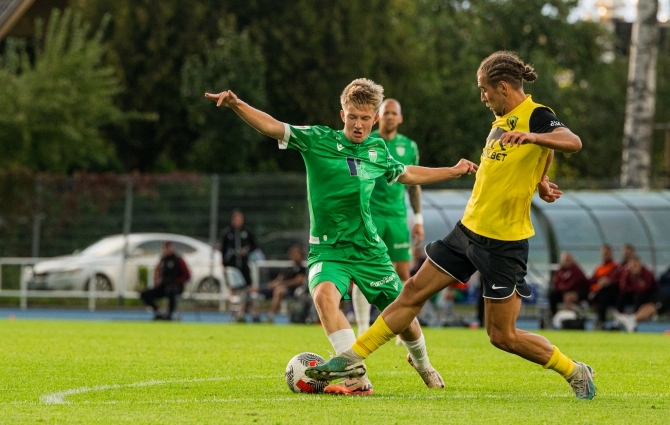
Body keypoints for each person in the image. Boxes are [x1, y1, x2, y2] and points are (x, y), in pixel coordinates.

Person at [306, 51, 597, 400]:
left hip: (504, 242)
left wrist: (535, 140)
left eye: (485, 90)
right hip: (468, 230)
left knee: (502, 336)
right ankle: (350, 359)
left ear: (503, 87)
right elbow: (526, 160)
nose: (482, 97)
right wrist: (541, 178)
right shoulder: (501, 121)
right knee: (412, 291)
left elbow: (572, 142)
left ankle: (575, 370)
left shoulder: (536, 116)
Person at [206, 78, 478, 395]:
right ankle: (357, 377)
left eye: (365, 118)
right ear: (342, 115)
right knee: (323, 296)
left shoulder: (378, 149)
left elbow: (407, 174)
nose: (359, 124)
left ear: (374, 119)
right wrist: (237, 104)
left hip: (369, 252)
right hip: (328, 250)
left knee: (405, 317)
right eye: (353, 117)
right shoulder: (317, 139)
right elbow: (273, 127)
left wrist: (453, 170)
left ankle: (422, 363)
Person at [351, 99, 423, 336]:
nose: (390, 116)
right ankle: (362, 325)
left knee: (402, 273)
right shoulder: (367, 141)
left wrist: (419, 219)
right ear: (378, 117)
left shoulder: (409, 146)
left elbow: (414, 185)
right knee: (363, 270)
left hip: (397, 218)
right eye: (386, 112)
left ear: (400, 118)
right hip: (369, 216)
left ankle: (403, 328)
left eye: (394, 113)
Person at [251, 244, 307, 323]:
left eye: (297, 254)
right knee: (253, 290)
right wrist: (273, 284)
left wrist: (282, 284)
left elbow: (297, 281)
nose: (295, 256)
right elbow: (279, 278)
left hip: (292, 291)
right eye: (293, 254)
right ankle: (253, 316)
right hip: (279, 287)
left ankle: (271, 316)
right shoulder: (288, 268)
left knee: (279, 291)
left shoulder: (302, 269)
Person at [220, 209, 258, 322]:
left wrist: (246, 250)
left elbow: (255, 245)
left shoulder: (246, 232)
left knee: (248, 289)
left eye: (240, 219)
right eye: (236, 219)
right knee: (234, 289)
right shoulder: (227, 233)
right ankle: (234, 314)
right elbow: (223, 250)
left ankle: (252, 313)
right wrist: (224, 264)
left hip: (244, 265)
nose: (238, 222)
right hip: (232, 266)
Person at [140, 241, 191, 321]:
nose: (165, 250)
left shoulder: (178, 260)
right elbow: (157, 270)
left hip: (175, 287)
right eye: (164, 248)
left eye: (168, 248)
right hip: (163, 286)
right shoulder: (163, 260)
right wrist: (157, 280)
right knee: (144, 293)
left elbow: (187, 275)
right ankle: (157, 312)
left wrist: (177, 282)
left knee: (170, 291)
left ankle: (169, 315)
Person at [588, 244, 634, 330]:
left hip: (624, 292)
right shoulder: (617, 266)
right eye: (625, 252)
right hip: (614, 292)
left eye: (628, 252)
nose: (626, 254)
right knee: (603, 295)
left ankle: (606, 321)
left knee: (604, 293)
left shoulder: (622, 266)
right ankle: (603, 321)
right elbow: (593, 280)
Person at [548, 252, 590, 318]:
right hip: (563, 291)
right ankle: (553, 316)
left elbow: (574, 284)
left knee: (568, 297)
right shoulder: (560, 270)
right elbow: (556, 282)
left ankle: (569, 318)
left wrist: (562, 287)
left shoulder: (577, 270)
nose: (566, 262)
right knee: (552, 295)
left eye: (568, 260)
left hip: (578, 292)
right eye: (565, 260)